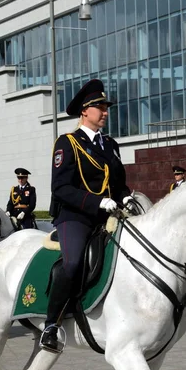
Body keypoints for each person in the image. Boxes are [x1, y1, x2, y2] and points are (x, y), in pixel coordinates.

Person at [43, 79, 132, 352]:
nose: (105, 111)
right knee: (72, 264)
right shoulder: (67, 143)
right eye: (99, 107)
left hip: (108, 214)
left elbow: (118, 183)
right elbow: (60, 188)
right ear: (84, 111)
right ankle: (51, 324)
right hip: (76, 216)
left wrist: (126, 196)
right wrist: (97, 202)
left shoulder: (110, 144)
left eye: (106, 107)